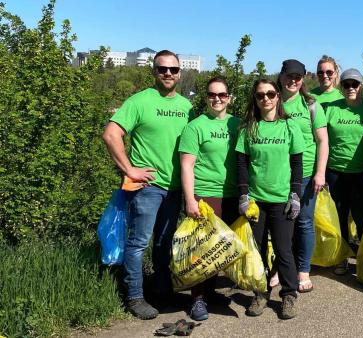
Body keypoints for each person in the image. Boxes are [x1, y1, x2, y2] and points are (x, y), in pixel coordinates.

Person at [102, 50, 194, 319]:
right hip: (148, 187)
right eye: (162, 69)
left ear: (180, 73)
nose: (168, 74)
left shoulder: (187, 107)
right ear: (154, 71)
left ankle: (161, 290)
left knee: (164, 243)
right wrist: (129, 169)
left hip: (175, 188)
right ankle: (134, 296)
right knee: (139, 242)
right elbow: (111, 134)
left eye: (173, 70)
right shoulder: (140, 101)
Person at [235, 79, 305, 319]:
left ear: (278, 97)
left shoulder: (290, 127)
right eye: (260, 95)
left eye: (271, 94)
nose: (266, 99)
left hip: (281, 199)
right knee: (257, 251)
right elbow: (242, 164)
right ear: (255, 99)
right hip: (256, 201)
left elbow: (297, 164)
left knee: (284, 250)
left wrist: (295, 194)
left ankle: (288, 295)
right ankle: (260, 294)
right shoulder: (248, 129)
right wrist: (244, 194)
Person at [178, 77, 240, 321]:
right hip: (206, 194)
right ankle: (197, 299)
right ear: (206, 98)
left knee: (222, 250)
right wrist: (190, 200)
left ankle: (211, 293)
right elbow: (186, 165)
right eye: (212, 95)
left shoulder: (238, 124)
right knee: (202, 250)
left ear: (229, 97)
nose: (217, 99)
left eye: (222, 95)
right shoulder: (195, 126)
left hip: (233, 194)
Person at [278, 60, 328, 293]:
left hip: (306, 174)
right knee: (280, 224)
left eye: (298, 77)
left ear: (303, 79)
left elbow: (322, 141)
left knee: (304, 222)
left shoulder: (310, 105)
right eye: (289, 76)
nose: (293, 81)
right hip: (276, 175)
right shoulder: (271, 100)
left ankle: (303, 270)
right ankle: (279, 268)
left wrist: (320, 172)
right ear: (281, 76)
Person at [324, 68, 363, 275]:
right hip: (336, 171)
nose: (351, 88)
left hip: (362, 171)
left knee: (362, 215)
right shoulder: (331, 109)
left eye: (355, 84)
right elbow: (320, 139)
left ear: (361, 86)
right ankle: (343, 256)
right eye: (346, 84)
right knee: (339, 214)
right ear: (341, 87)